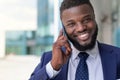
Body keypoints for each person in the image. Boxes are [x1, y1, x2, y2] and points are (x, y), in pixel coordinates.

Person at [29, 0, 120, 80]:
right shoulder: (50, 59)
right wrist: (53, 67)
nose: (81, 28)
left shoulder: (117, 56)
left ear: (94, 19)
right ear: (64, 29)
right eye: (71, 24)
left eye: (86, 20)